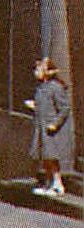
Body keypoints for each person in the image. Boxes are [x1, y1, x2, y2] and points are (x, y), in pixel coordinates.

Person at [28, 57, 72, 197]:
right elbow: (42, 105)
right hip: (41, 127)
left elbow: (64, 108)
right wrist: (34, 106)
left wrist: (55, 123)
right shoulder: (42, 87)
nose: (36, 72)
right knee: (45, 157)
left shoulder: (55, 87)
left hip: (50, 129)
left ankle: (57, 184)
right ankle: (48, 183)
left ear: (47, 72)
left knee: (52, 158)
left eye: (39, 69)